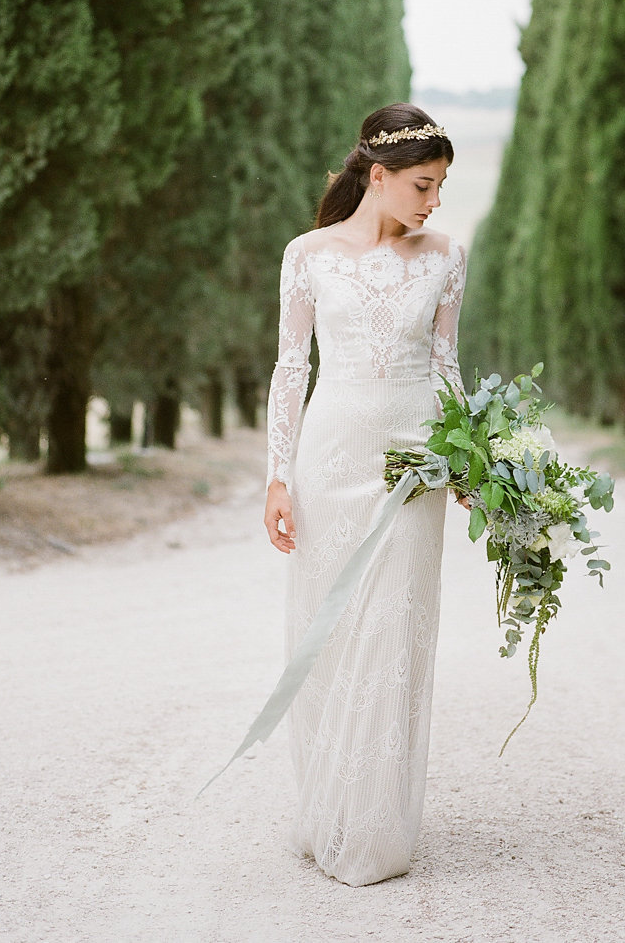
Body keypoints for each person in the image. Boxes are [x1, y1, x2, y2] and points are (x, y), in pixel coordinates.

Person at [263, 102, 468, 887]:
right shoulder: (307, 254)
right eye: (423, 184)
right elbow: (291, 367)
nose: (433, 201)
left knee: (395, 628)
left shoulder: (447, 255)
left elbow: (447, 366)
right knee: (330, 626)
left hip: (416, 460)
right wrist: (278, 475)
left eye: (442, 185)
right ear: (377, 177)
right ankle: (330, 807)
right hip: (331, 453)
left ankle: (378, 824)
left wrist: (470, 465)